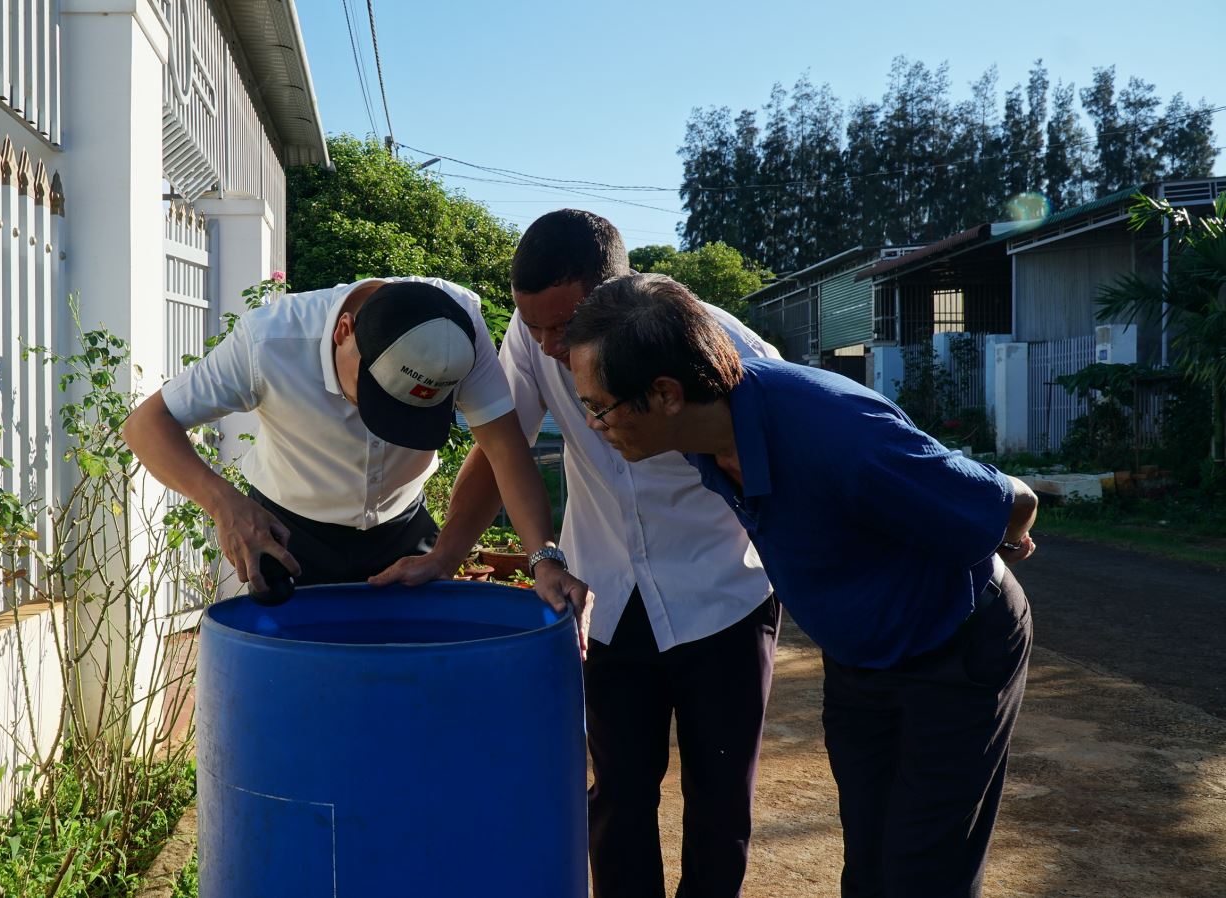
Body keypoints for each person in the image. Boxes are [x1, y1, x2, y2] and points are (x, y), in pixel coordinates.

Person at [566, 273, 1038, 898]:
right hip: (859, 660)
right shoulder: (705, 435)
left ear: (665, 394)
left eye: (599, 407)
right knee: (867, 864)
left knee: (923, 872)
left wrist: (1001, 539)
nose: (594, 424)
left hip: (954, 648)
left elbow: (1010, 500)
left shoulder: (837, 435)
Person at [373, 210, 780, 898]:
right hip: (608, 603)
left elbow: (785, 458)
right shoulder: (533, 339)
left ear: (616, 294)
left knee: (720, 803)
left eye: (564, 327)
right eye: (535, 327)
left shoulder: (719, 342)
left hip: (724, 600)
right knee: (617, 797)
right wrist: (444, 555)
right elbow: (499, 448)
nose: (550, 345)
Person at [121, 275, 590, 619]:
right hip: (290, 537)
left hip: (403, 533)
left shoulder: (456, 329)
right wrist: (224, 503)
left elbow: (505, 449)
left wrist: (542, 558)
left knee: (414, 696)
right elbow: (146, 425)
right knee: (300, 700)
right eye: (374, 395)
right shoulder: (270, 341)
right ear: (344, 331)